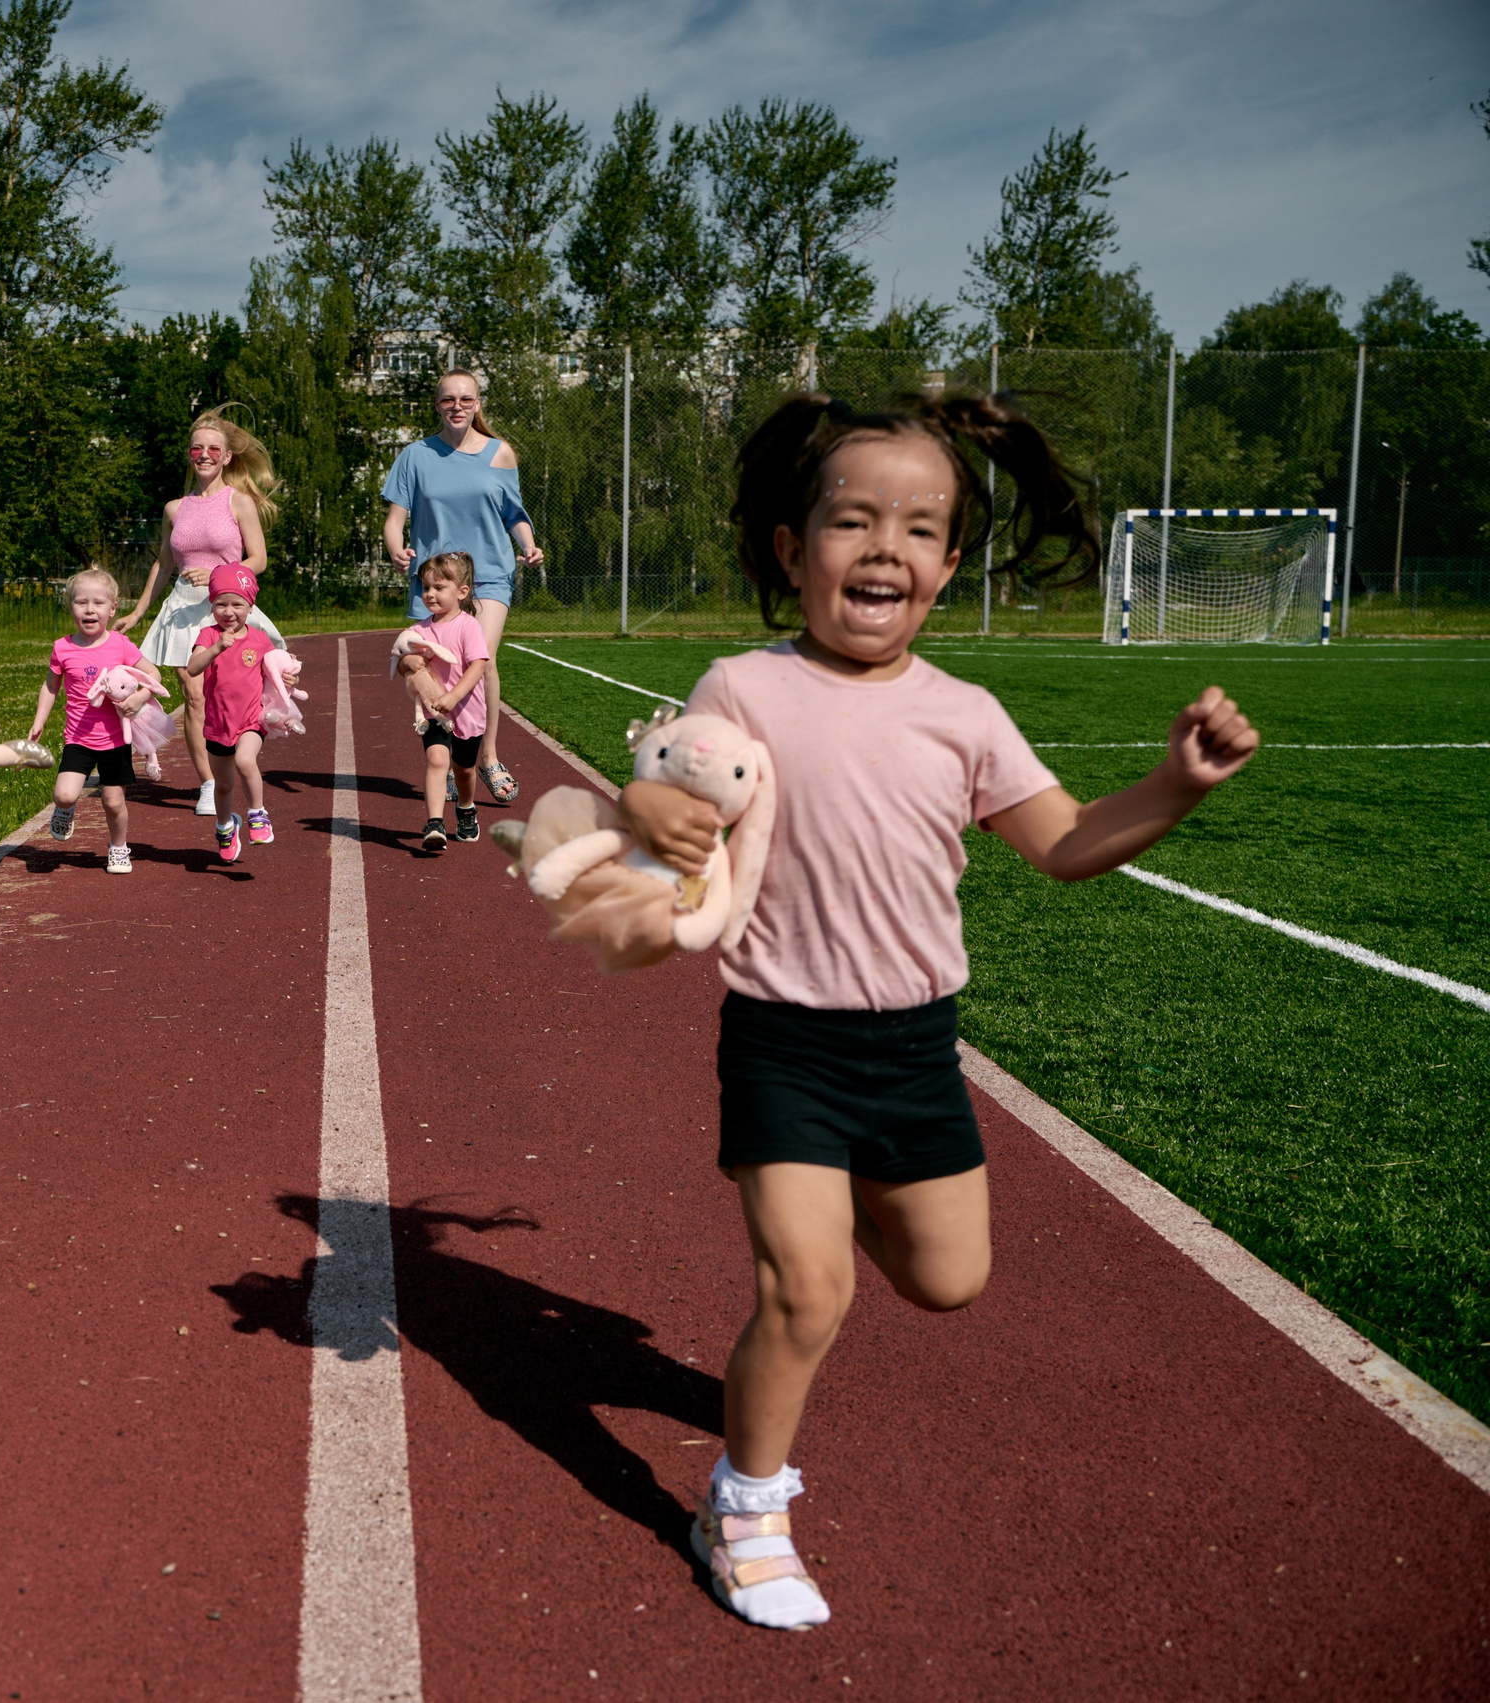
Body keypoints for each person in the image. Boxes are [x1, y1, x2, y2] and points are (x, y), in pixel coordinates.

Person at [617, 392, 1259, 1631]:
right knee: (809, 1289)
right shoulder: (743, 684)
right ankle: (742, 1508)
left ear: (949, 566)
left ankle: (823, 1205)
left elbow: (1066, 843)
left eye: (916, 529)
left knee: (949, 1278)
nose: (883, 548)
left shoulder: (963, 715)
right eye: (851, 522)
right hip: (785, 1037)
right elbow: (665, 792)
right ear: (790, 551)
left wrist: (1175, 785)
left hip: (916, 1048)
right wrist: (649, 813)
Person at [381, 369, 544, 807]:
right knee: (429, 669)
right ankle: (449, 758)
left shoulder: (500, 453)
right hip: (434, 581)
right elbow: (395, 521)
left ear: (477, 404)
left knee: (479, 658)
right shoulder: (415, 456)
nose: (457, 406)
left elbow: (515, 514)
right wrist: (397, 550)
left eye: (466, 399)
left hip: (488, 574)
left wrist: (528, 544)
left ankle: (485, 755)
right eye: (448, 400)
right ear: (436, 405)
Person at [120, 406, 287, 817]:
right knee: (193, 697)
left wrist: (220, 573)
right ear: (190, 455)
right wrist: (140, 611)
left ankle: (235, 763)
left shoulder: (240, 502)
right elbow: (163, 563)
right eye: (198, 449)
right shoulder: (175, 508)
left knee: (226, 695)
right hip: (181, 610)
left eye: (214, 449)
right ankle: (209, 784)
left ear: (227, 456)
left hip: (225, 608)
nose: (206, 455)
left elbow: (259, 558)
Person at [25, 567, 159, 874]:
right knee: (63, 794)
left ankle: (119, 847)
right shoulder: (63, 647)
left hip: (115, 740)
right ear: (70, 605)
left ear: (112, 609)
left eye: (98, 603)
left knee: (113, 802)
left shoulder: (120, 645)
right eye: (81, 602)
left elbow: (153, 675)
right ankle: (65, 810)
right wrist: (39, 720)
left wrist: (139, 697)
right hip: (78, 738)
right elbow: (50, 686)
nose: (89, 609)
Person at [394, 552, 491, 853]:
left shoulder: (468, 626)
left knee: (464, 770)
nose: (429, 594)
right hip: (433, 712)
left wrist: (454, 696)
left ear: (462, 592)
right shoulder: (419, 630)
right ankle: (435, 822)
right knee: (437, 760)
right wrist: (408, 660)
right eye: (425, 588)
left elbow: (478, 665)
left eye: (438, 587)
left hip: (468, 712)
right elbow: (399, 664)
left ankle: (465, 808)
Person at [183, 564, 277, 865]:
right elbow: (193, 667)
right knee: (223, 785)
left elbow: (276, 670)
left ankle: (257, 817)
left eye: (237, 604)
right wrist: (216, 648)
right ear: (211, 605)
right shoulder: (209, 635)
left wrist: (289, 679)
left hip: (251, 720)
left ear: (250, 607)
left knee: (245, 760)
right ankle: (225, 827)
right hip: (218, 725)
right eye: (220, 603)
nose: (228, 611)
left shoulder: (260, 640)